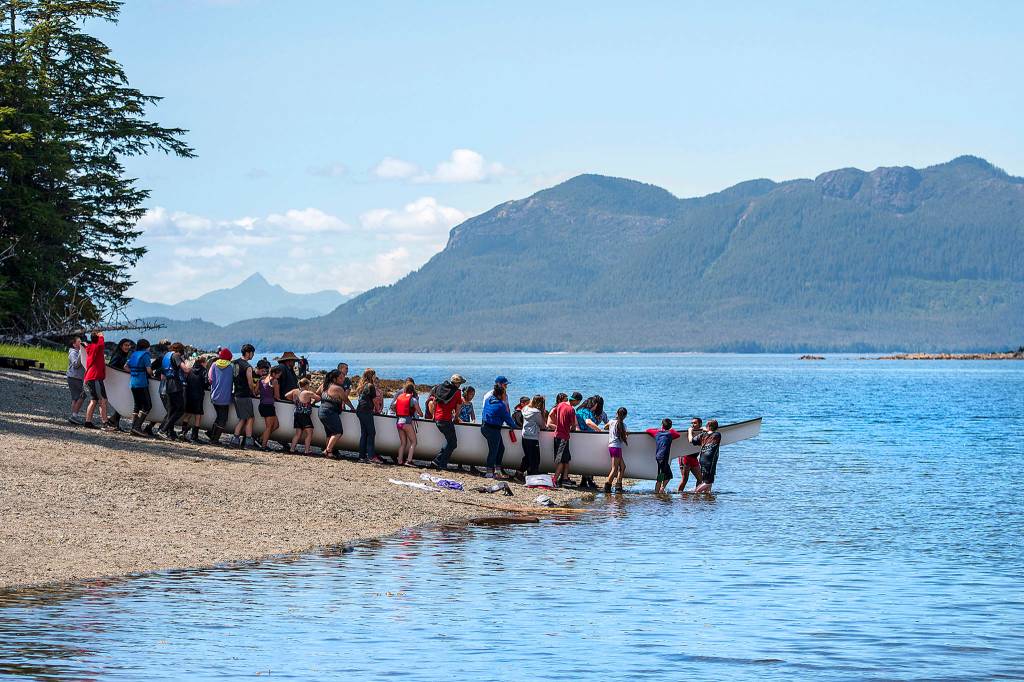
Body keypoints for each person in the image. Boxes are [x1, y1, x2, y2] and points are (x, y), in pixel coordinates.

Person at [481, 383, 518, 479]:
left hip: (485, 427)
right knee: (493, 451)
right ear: (500, 395)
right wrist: (515, 426)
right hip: (493, 429)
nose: (505, 396)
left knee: (501, 449)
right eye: (504, 394)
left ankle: (497, 470)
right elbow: (508, 419)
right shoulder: (501, 405)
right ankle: (489, 472)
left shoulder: (489, 400)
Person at [429, 374, 465, 470]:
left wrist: (433, 415)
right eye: (460, 383)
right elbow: (458, 407)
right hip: (446, 420)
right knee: (453, 443)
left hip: (437, 418)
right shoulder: (457, 393)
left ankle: (437, 462)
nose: (460, 385)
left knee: (450, 442)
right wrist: (456, 418)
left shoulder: (441, 388)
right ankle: (441, 463)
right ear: (457, 384)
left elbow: (434, 402)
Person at [82, 331, 114, 430]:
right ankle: (105, 423)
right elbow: (101, 343)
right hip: (95, 377)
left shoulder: (90, 347)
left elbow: (87, 346)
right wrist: (101, 336)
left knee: (94, 400)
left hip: (90, 377)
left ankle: (88, 422)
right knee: (103, 400)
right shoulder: (97, 346)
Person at [230, 344, 258, 448]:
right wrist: (254, 392)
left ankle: (235, 440)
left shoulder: (234, 363)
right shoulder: (248, 367)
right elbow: (250, 383)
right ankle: (248, 441)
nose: (253, 355)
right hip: (245, 395)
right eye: (252, 353)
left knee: (242, 418)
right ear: (248, 353)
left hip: (236, 393)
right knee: (250, 418)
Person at [548, 392, 578, 486]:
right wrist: (570, 428)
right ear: (577, 401)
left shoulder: (560, 405)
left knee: (566, 458)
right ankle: (555, 479)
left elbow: (551, 414)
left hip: (558, 435)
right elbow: (574, 425)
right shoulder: (571, 409)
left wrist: (558, 425)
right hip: (563, 436)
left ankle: (564, 478)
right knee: (561, 460)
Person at [157, 342, 186, 440]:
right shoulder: (176, 356)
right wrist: (190, 368)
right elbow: (185, 370)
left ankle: (168, 432)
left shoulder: (166, 356)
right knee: (180, 409)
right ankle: (163, 430)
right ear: (180, 350)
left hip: (167, 384)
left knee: (172, 410)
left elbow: (162, 374)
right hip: (175, 385)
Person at [126, 338, 154, 437]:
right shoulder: (145, 355)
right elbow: (149, 370)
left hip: (133, 382)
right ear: (146, 347)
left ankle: (133, 428)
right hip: (141, 383)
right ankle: (137, 427)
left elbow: (126, 366)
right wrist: (152, 374)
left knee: (137, 405)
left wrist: (133, 372)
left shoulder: (134, 354)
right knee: (147, 405)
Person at [207, 348, 234, 444]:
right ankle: (214, 439)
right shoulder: (231, 367)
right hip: (225, 397)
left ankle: (211, 434)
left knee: (219, 417)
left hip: (214, 395)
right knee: (223, 419)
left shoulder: (214, 365)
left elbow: (210, 379)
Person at [105, 338, 134, 429]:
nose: (127, 347)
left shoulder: (124, 355)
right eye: (125, 345)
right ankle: (113, 421)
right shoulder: (118, 355)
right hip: (117, 381)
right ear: (121, 346)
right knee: (121, 401)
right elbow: (111, 366)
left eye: (128, 345)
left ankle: (114, 421)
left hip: (121, 381)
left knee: (121, 401)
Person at [646, 418, 681, 494]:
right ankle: (661, 489)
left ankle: (657, 492)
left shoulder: (657, 433)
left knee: (661, 474)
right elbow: (678, 435)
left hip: (659, 457)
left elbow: (648, 430)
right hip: (663, 457)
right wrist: (671, 429)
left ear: (662, 425)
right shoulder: (670, 434)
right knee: (669, 476)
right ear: (670, 426)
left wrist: (659, 429)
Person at [318, 369, 347, 459]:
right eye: (341, 378)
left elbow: (317, 394)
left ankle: (327, 452)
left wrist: (311, 403)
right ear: (334, 379)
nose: (343, 380)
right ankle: (328, 450)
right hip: (330, 411)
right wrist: (353, 408)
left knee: (329, 433)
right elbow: (346, 399)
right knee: (338, 432)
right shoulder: (338, 388)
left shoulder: (324, 385)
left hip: (321, 410)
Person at [355, 368, 381, 463]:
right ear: (371, 376)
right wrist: (378, 410)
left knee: (364, 433)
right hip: (366, 411)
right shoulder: (370, 386)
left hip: (360, 410)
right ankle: (371, 456)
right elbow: (375, 401)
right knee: (371, 433)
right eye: (374, 375)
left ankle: (362, 456)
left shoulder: (363, 385)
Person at [286, 378, 318, 455]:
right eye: (308, 385)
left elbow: (286, 395)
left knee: (298, 433)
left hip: (297, 413)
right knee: (309, 432)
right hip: (304, 414)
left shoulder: (295, 391)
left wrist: (295, 401)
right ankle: (307, 451)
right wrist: (312, 401)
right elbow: (318, 398)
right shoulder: (307, 392)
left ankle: (292, 449)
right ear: (306, 385)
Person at [394, 381, 422, 466]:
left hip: (399, 422)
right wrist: (420, 414)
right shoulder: (413, 399)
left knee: (403, 443)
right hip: (407, 423)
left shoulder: (399, 397)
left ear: (405, 390)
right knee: (414, 442)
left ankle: (399, 461)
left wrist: (398, 411)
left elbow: (392, 406)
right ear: (413, 391)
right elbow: (420, 413)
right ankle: (409, 461)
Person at [183, 355, 208, 442]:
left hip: (189, 394)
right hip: (198, 395)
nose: (206, 364)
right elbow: (206, 383)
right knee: (198, 415)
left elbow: (186, 380)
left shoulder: (190, 370)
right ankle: (194, 436)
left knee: (188, 414)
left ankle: (183, 433)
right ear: (202, 363)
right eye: (206, 362)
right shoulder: (204, 371)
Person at [692, 419, 722, 494]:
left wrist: (690, 431)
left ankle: (708, 497)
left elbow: (692, 441)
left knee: (707, 479)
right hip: (710, 460)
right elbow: (711, 431)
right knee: (709, 482)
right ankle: (696, 492)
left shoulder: (703, 435)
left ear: (708, 426)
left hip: (702, 458)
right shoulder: (717, 435)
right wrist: (705, 428)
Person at [520, 394, 547, 476]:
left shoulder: (525, 408)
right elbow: (542, 425)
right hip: (533, 437)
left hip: (525, 435)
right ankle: (534, 474)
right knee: (535, 458)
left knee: (528, 456)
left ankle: (520, 472)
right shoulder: (537, 412)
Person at [258, 365, 283, 450]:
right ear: (274, 373)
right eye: (279, 374)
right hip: (269, 406)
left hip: (262, 405)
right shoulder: (275, 381)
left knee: (276, 425)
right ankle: (263, 445)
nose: (279, 376)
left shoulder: (262, 379)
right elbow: (277, 396)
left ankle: (260, 438)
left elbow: (256, 391)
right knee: (269, 427)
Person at [604, 407, 629, 493]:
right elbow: (623, 438)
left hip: (612, 447)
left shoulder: (611, 422)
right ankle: (607, 486)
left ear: (616, 414)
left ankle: (618, 486)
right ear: (625, 416)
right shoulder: (624, 425)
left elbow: (605, 427)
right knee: (614, 469)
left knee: (622, 467)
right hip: (616, 447)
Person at [678, 417, 705, 492]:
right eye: (692, 423)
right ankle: (679, 494)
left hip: (694, 458)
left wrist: (703, 429)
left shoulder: (702, 431)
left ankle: (697, 494)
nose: (693, 425)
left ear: (700, 424)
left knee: (700, 479)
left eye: (695, 423)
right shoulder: (689, 431)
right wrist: (690, 431)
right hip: (685, 457)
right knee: (685, 479)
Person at [66, 335, 86, 424]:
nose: (81, 343)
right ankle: (74, 416)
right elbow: (76, 365)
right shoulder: (73, 353)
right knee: (82, 396)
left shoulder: (77, 352)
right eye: (79, 342)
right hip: (74, 377)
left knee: (75, 398)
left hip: (76, 377)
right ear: (74, 344)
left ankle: (74, 416)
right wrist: (82, 352)